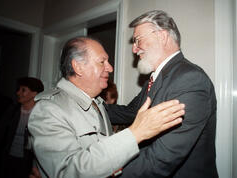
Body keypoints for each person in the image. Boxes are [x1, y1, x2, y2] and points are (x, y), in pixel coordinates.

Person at [28, 37, 185, 178]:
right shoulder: (49, 110)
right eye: (102, 61)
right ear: (78, 67)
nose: (110, 68)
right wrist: (135, 134)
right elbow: (68, 171)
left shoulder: (97, 102)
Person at [106, 10, 218, 178]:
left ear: (162, 36)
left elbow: (163, 157)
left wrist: (106, 172)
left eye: (137, 40)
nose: (134, 49)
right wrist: (94, 107)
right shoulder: (154, 78)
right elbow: (130, 112)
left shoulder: (189, 80)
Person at [0, 77, 44, 178]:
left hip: (26, 162)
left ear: (34, 93)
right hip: (7, 158)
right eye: (18, 89)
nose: (18, 93)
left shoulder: (41, 115)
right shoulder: (12, 110)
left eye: (23, 90)